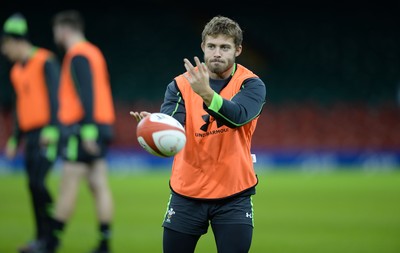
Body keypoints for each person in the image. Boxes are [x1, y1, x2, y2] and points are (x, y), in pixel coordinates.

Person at [131, 15, 267, 253]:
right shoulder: (179, 85)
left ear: (238, 50)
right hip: (187, 193)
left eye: (225, 47)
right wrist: (156, 128)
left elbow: (239, 116)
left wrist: (206, 94)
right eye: (212, 46)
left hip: (234, 194)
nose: (217, 53)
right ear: (203, 47)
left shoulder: (251, 84)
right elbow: (175, 126)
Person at [41, 10, 115, 253]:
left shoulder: (78, 54)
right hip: (102, 123)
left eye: (56, 31)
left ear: (63, 29)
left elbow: (87, 93)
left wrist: (87, 130)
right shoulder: (94, 52)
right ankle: (105, 242)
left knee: (68, 183)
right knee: (98, 183)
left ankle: (50, 243)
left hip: (83, 127)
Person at [1, 13, 61, 253]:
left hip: (49, 133)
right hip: (30, 136)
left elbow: (56, 98)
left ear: (16, 42)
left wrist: (53, 129)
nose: (5, 52)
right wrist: (16, 137)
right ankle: (44, 238)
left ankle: (50, 232)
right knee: (32, 185)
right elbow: (19, 106)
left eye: (6, 46)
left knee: (37, 183)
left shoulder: (46, 61)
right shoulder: (16, 71)